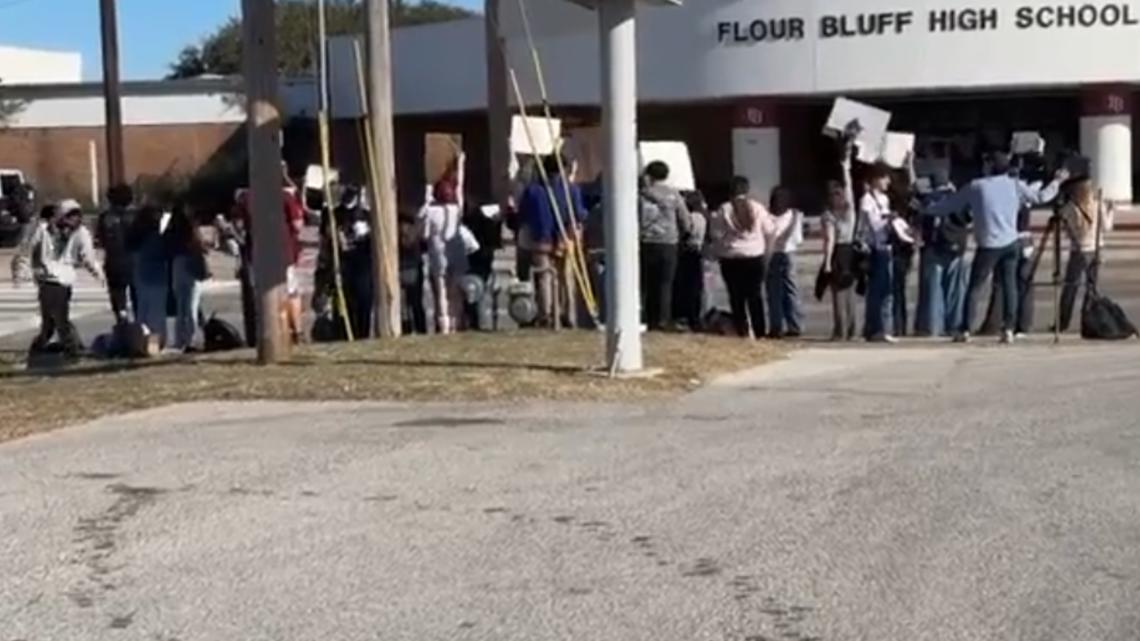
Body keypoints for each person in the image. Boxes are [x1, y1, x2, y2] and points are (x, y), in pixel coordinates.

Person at [927, 151, 1067, 343]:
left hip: (989, 244)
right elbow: (1040, 197)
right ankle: (1008, 328)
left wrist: (925, 208)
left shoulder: (977, 186)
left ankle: (965, 328)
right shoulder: (1015, 184)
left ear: (990, 166)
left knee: (975, 287)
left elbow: (950, 205)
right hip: (1011, 241)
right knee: (1010, 286)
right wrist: (1057, 182)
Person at [17, 200, 103, 358]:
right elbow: (26, 251)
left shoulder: (81, 233)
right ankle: (59, 349)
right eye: (70, 216)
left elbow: (88, 257)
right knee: (53, 322)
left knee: (58, 319)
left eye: (77, 216)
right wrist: (23, 271)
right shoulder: (43, 230)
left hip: (63, 280)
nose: (74, 220)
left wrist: (98, 274)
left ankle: (68, 349)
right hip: (46, 279)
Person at [517, 154, 587, 327]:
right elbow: (579, 214)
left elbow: (523, 214)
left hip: (541, 238)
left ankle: (546, 314)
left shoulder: (533, 190)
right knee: (566, 278)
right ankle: (569, 314)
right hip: (565, 237)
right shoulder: (571, 190)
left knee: (544, 277)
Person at [709, 175, 772, 339]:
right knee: (755, 296)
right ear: (747, 190)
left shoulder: (724, 209)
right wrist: (767, 252)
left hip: (731, 258)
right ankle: (760, 332)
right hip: (754, 256)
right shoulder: (757, 208)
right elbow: (769, 231)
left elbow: (716, 234)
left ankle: (742, 331)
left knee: (736, 297)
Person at [638, 161, 692, 331]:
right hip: (668, 243)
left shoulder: (641, 195)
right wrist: (684, 234)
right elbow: (685, 220)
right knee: (665, 284)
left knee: (646, 283)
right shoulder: (674, 195)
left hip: (646, 242)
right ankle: (662, 319)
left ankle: (647, 318)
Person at [914, 170, 968, 337]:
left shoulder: (928, 200)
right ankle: (954, 324)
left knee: (933, 290)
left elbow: (921, 221)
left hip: (934, 247)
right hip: (956, 247)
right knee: (955, 290)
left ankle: (933, 326)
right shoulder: (959, 198)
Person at [1057, 177, 1113, 333]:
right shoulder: (1097, 204)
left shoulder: (1071, 207)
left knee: (1071, 286)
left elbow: (1062, 221)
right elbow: (1107, 227)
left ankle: (1063, 321)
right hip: (1095, 249)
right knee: (1091, 286)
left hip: (1078, 250)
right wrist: (1110, 211)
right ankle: (1088, 320)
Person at [420, 174, 471, 335]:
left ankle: (444, 325)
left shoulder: (430, 211)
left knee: (441, 291)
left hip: (438, 254)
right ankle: (455, 322)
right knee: (454, 292)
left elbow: (424, 234)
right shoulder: (457, 210)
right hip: (457, 253)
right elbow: (460, 190)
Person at [859, 163, 899, 343]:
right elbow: (873, 225)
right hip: (875, 248)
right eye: (884, 178)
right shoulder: (867, 200)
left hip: (887, 247)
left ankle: (883, 328)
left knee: (887, 290)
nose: (887, 182)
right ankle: (876, 328)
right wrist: (888, 220)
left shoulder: (884, 199)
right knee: (878, 291)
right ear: (875, 179)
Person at [165, 201, 209, 352]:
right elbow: (200, 247)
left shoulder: (171, 231)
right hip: (191, 264)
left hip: (177, 264)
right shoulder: (192, 230)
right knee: (192, 305)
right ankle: (191, 338)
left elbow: (166, 247)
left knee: (181, 306)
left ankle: (180, 339)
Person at [129, 205, 171, 346]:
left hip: (140, 276)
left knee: (143, 311)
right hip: (157, 277)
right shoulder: (154, 237)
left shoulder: (136, 236)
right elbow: (163, 254)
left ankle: (142, 340)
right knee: (156, 314)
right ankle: (156, 343)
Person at [766, 186, 804, 338]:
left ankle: (776, 326)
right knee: (791, 290)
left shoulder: (767, 216)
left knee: (773, 292)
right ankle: (795, 324)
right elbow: (798, 239)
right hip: (789, 253)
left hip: (771, 254)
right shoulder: (795, 215)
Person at [95, 184, 137, 321]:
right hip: (135, 262)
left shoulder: (105, 217)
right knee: (139, 298)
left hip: (114, 262)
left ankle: (122, 320)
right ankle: (140, 324)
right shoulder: (136, 216)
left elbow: (100, 240)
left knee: (118, 297)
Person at [673, 190, 708, 331]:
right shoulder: (703, 217)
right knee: (696, 287)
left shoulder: (691, 217)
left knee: (685, 286)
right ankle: (695, 317)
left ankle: (684, 315)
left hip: (687, 252)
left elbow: (686, 232)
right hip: (697, 252)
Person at [398, 211, 428, 335]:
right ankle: (420, 328)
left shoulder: (399, 231)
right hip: (412, 267)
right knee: (415, 302)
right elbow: (424, 246)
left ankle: (408, 328)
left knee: (405, 304)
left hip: (406, 267)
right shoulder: (414, 231)